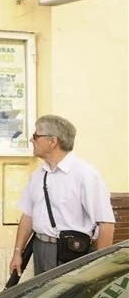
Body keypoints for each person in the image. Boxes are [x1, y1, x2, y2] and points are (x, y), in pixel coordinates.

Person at [9, 115, 115, 276]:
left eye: (36, 136)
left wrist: (99, 269)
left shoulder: (84, 174)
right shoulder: (38, 175)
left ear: (53, 141)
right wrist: (18, 252)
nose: (32, 140)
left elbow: (106, 224)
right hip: (40, 249)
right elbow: (28, 216)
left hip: (71, 253)